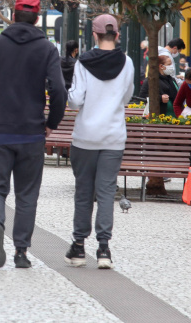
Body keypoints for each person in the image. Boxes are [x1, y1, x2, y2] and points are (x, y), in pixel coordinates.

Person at [0, 0, 67, 269]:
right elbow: (59, 90)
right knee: (27, 195)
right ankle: (21, 251)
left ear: (12, 15)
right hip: (31, 133)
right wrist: (51, 122)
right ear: (37, 18)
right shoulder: (47, 48)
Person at [63, 14, 134, 270]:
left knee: (84, 193)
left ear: (94, 35)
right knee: (105, 193)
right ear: (117, 35)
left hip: (85, 137)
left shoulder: (83, 62)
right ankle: (104, 248)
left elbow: (75, 101)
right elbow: (126, 97)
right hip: (113, 137)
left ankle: (79, 246)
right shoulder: (127, 62)